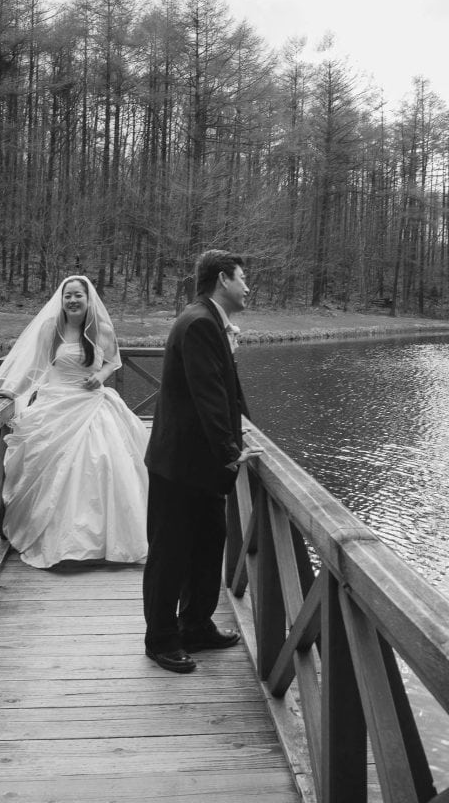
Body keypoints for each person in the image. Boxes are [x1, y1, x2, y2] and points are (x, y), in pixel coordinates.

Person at [142, 249, 261, 673]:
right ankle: (160, 639)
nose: (248, 287)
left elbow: (227, 390)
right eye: (243, 278)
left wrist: (245, 428)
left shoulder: (210, 321)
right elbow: (208, 396)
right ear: (223, 279)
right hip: (180, 465)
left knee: (207, 549)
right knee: (171, 554)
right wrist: (231, 452)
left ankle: (195, 625)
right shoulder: (198, 324)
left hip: (201, 465)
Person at [0, 275, 149, 569]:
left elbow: (113, 361)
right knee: (52, 465)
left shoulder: (104, 331)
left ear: (89, 299)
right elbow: (35, 365)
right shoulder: (51, 329)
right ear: (61, 301)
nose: (72, 301)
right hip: (55, 404)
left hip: (93, 405)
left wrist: (100, 376)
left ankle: (101, 543)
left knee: (105, 462)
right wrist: (13, 390)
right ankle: (59, 539)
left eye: (78, 296)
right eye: (67, 296)